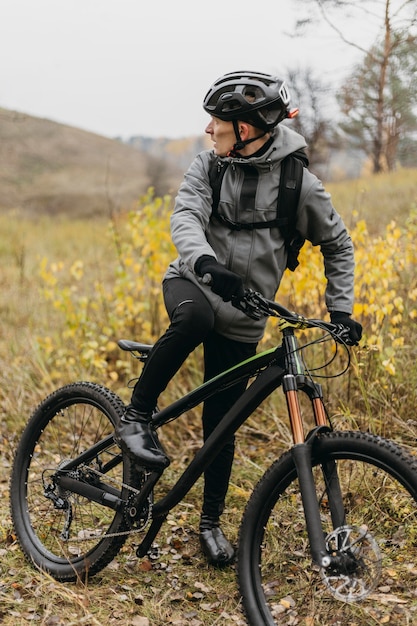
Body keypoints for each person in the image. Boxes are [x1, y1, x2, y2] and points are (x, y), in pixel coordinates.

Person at [115, 70, 362, 567]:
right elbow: (184, 218)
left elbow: (337, 244)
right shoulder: (208, 167)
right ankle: (136, 417)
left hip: (247, 311)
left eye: (218, 123)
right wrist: (206, 262)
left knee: (222, 425)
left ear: (245, 129)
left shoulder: (299, 183)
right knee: (195, 319)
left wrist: (342, 309)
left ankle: (209, 525)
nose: (209, 130)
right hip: (194, 282)